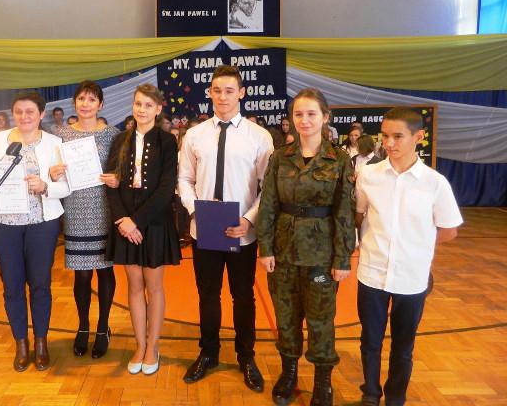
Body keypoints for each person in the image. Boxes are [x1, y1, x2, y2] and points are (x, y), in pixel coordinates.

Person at [355, 107, 463, 406]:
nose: (389, 143)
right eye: (385, 136)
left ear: (419, 136)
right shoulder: (368, 175)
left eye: (398, 136)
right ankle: (370, 395)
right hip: (372, 273)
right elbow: (359, 214)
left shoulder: (435, 183)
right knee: (370, 342)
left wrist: (416, 246)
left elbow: (449, 230)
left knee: (403, 348)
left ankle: (395, 399)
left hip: (411, 278)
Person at [256, 88, 356, 405]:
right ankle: (289, 373)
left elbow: (345, 211)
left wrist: (342, 258)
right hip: (283, 253)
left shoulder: (339, 160)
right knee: (286, 317)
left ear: (325, 117)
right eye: (298, 114)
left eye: (311, 113)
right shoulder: (280, 157)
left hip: (321, 257)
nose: (304, 120)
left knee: (320, 319)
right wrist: (265, 248)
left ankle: (322, 382)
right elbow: (268, 205)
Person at [178, 65, 273, 392]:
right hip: (204, 229)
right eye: (216, 90)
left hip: (241, 231)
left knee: (243, 296)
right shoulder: (195, 135)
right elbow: (184, 179)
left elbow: (268, 188)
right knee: (208, 295)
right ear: (210, 93)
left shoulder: (259, 137)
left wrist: (249, 219)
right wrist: (195, 210)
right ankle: (209, 352)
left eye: (229, 90)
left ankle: (246, 356)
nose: (222, 96)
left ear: (241, 93)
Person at [0, 92, 70, 373]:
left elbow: (65, 186)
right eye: (19, 111)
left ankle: (41, 342)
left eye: (30, 111)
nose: (24, 116)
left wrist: (46, 186)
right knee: (12, 286)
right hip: (3, 224)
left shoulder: (55, 143)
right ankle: (21, 343)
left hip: (42, 223)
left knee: (40, 284)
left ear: (41, 114)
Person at [105, 84, 181, 376]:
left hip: (154, 222)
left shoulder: (167, 141)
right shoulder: (120, 140)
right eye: (138, 103)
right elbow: (111, 183)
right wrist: (122, 221)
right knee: (134, 286)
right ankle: (140, 345)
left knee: (154, 286)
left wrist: (136, 221)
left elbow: (166, 188)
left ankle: (153, 346)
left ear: (158, 109)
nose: (142, 109)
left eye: (148, 105)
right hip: (125, 224)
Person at [49, 81, 120, 359]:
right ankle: (83, 326)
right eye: (81, 98)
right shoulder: (60, 135)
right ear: (74, 103)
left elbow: (121, 171)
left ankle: (103, 327)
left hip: (104, 209)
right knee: (81, 273)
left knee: (105, 271)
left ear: (100, 104)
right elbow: (50, 172)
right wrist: (53, 172)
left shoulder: (113, 135)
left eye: (91, 99)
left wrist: (117, 178)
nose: (86, 104)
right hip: (76, 209)